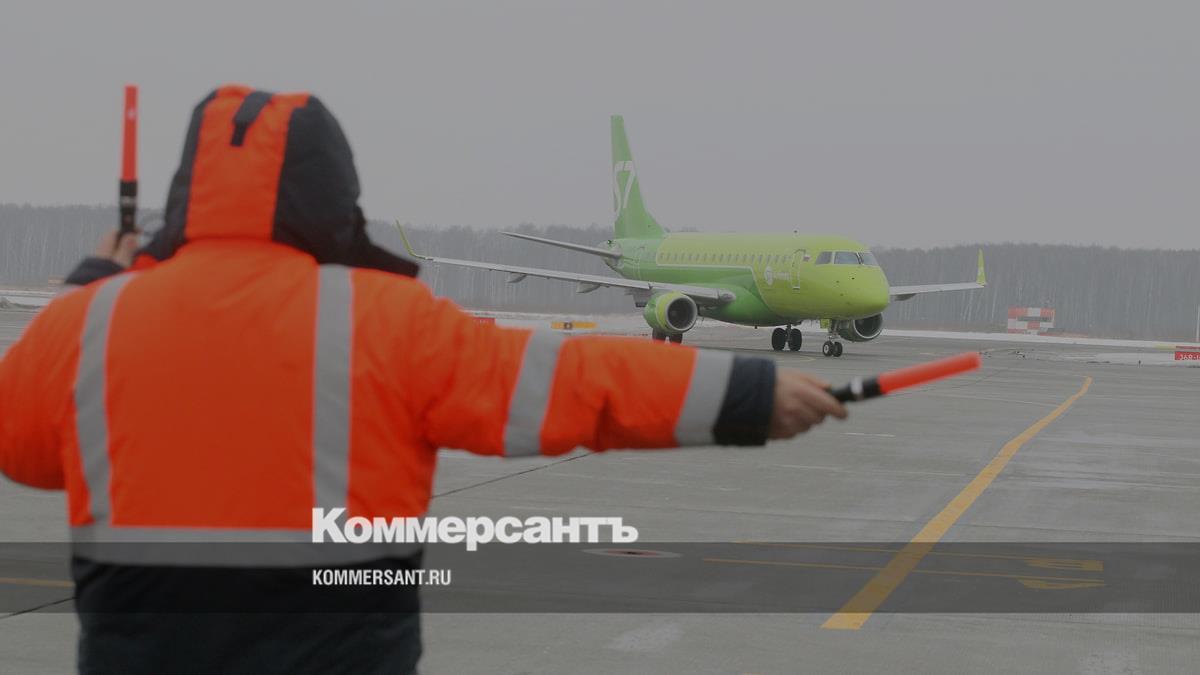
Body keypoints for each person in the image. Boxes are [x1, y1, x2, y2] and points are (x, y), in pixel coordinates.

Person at [0, 85, 846, 674]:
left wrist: (90, 285)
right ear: (331, 194)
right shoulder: (386, 319)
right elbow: (570, 383)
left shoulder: (93, 321)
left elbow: (21, 444)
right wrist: (745, 394)